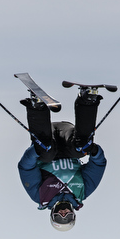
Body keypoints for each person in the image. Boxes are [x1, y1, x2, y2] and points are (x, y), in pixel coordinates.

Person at [17, 88, 107, 231]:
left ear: (53, 214)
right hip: (69, 142)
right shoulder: (82, 193)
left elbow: (25, 168)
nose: (63, 214)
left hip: (48, 141)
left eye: (59, 217)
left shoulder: (40, 196)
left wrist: (34, 152)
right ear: (73, 214)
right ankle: (87, 99)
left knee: (46, 152)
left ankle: (37, 105)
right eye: (68, 217)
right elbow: (98, 165)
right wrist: (94, 152)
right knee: (81, 148)